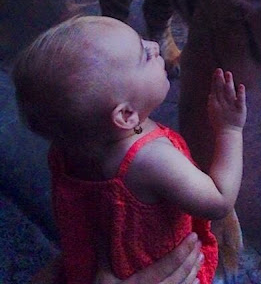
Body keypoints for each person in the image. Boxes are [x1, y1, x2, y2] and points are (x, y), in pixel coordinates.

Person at [12, 15, 247, 284]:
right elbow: (218, 201)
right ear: (125, 115)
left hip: (88, 271)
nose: (154, 46)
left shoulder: (70, 147)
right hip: (162, 271)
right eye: (144, 55)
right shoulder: (152, 160)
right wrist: (230, 130)